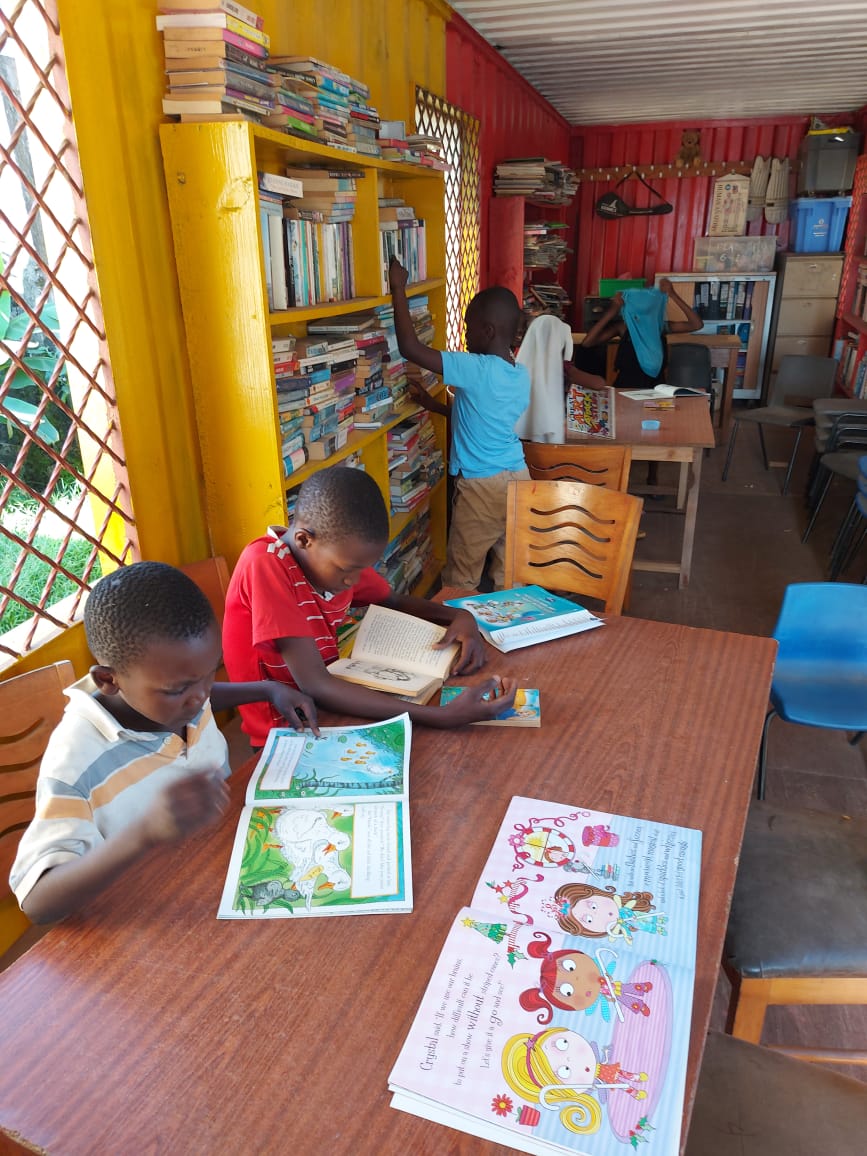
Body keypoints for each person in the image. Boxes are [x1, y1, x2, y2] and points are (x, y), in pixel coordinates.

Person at [9, 561, 319, 925]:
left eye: (210, 673)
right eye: (180, 689)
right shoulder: (76, 762)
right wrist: (144, 833)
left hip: (221, 864)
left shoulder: (175, 697)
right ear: (108, 680)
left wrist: (266, 689)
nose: (199, 697)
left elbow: (200, 693)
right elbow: (38, 901)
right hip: (153, 917)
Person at [221, 464, 517, 749]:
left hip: (332, 708)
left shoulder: (335, 559)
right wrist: (441, 716)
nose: (353, 581)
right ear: (303, 540)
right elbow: (315, 684)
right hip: (286, 731)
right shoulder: (265, 564)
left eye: (362, 569)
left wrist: (459, 615)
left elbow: (392, 600)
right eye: (347, 570)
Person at [389, 256, 531, 591]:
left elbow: (410, 348)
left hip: (482, 487)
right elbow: (479, 419)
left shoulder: (476, 367)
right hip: (518, 478)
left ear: (488, 331)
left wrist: (398, 287)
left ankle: (461, 634)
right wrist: (432, 405)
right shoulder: (518, 373)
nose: (464, 334)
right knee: (507, 573)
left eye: (468, 326)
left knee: (461, 576)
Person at [581, 278, 702, 391]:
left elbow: (696, 324)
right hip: (625, 391)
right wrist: (613, 311)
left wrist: (673, 295)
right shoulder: (623, 327)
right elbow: (588, 342)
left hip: (655, 392)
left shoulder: (660, 327)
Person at [515, 313, 607, 443]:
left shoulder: (516, 367)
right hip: (556, 438)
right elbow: (599, 383)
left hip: (523, 440)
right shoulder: (564, 368)